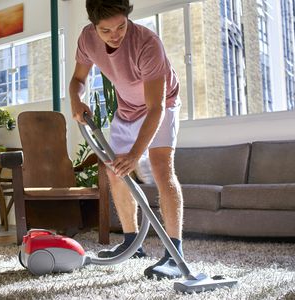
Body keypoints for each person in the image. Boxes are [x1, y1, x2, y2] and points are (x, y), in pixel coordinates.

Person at [69, 0, 184, 280]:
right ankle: (134, 243)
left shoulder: (147, 43)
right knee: (114, 171)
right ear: (94, 25)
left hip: (161, 107)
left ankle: (175, 253)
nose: (115, 35)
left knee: (161, 169)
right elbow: (78, 79)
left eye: (121, 26)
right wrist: (76, 99)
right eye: (106, 30)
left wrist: (135, 154)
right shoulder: (86, 38)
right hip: (126, 109)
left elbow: (155, 108)